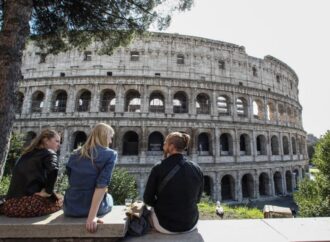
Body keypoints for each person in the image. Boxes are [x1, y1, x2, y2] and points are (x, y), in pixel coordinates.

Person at [143, 132, 204, 234]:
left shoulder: (158, 168)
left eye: (165, 143)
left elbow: (147, 199)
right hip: (191, 224)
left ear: (171, 147)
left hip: (165, 226)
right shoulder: (197, 168)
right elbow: (197, 199)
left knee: (146, 213)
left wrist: (161, 204)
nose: (163, 145)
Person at [63, 123, 117, 233]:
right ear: (104, 136)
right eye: (110, 137)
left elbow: (71, 178)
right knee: (110, 198)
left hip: (70, 207)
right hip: (89, 207)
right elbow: (101, 185)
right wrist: (91, 218)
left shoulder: (75, 154)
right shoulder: (110, 154)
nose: (110, 141)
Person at [2, 129, 62, 217]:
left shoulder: (25, 154)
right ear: (46, 140)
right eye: (56, 141)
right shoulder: (49, 153)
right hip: (29, 205)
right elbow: (53, 170)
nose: (59, 145)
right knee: (62, 200)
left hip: (10, 205)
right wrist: (48, 192)